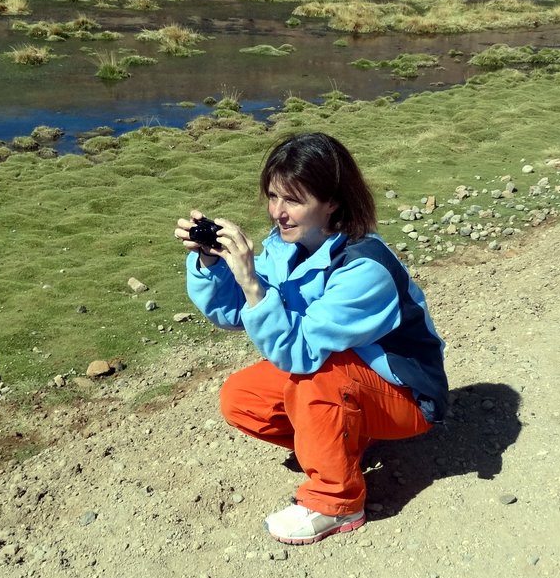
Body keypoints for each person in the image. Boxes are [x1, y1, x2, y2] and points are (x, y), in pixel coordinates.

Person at [174, 132, 449, 545]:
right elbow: (234, 314)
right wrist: (211, 262)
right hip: (352, 381)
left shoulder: (364, 268)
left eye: (293, 200)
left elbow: (298, 352)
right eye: (272, 196)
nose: (278, 213)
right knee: (241, 397)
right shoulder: (287, 246)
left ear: (333, 202)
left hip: (407, 396)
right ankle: (344, 444)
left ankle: (337, 503)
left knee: (317, 375)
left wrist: (251, 280)